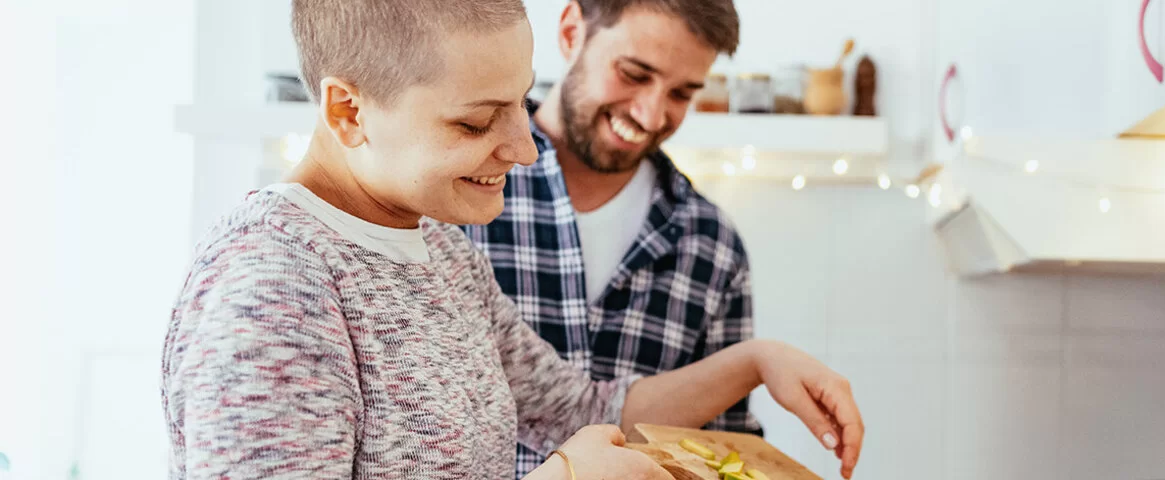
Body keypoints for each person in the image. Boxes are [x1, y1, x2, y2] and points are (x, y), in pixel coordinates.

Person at [159, 1, 865, 479]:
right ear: (349, 110)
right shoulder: (273, 288)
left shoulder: (441, 253)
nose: (526, 150)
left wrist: (756, 360)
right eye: (477, 122)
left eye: (520, 101)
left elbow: (582, 411)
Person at [463, 1, 865, 478]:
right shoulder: (464, 189)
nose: (651, 115)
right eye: (634, 74)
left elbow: (712, 446)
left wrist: (758, 360)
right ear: (572, 32)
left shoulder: (712, 246)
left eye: (681, 93)